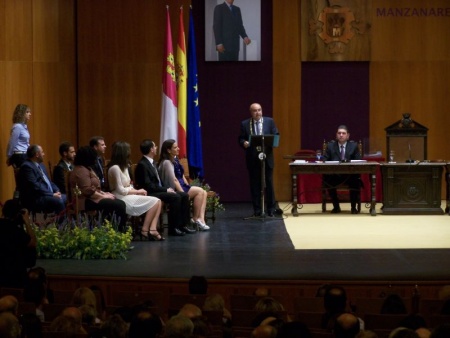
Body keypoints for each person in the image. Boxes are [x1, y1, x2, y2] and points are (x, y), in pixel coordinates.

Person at [134, 139, 194, 236]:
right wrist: (166, 189)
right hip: (149, 192)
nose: (156, 148)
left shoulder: (153, 163)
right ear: (151, 149)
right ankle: (173, 227)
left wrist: (166, 188)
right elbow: (148, 185)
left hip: (158, 190)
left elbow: (159, 181)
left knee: (183, 195)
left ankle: (182, 225)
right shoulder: (142, 165)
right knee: (175, 197)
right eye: (154, 146)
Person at [107, 141, 163, 241]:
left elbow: (129, 184)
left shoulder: (124, 166)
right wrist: (137, 191)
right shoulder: (114, 168)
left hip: (127, 194)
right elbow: (120, 190)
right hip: (119, 197)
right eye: (128, 150)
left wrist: (135, 190)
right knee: (154, 202)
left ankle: (152, 228)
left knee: (158, 201)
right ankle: (145, 229)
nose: (130, 153)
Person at [69, 145, 127, 231]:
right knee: (119, 205)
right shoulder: (81, 170)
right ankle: (119, 231)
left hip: (92, 198)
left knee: (118, 202)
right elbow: (87, 191)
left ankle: (112, 230)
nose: (95, 159)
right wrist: (103, 196)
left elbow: (94, 188)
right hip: (84, 201)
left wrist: (104, 193)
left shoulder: (87, 168)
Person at [159, 139, 210, 232]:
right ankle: (194, 219)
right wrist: (183, 194)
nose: (178, 149)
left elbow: (181, 175)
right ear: (168, 150)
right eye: (175, 147)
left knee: (204, 192)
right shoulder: (166, 162)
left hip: (182, 185)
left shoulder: (175, 160)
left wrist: (188, 185)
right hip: (175, 188)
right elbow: (174, 180)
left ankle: (200, 219)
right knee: (199, 192)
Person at [238, 103, 279, 217]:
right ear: (251, 112)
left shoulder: (270, 121)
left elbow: (276, 134)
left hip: (267, 157)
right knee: (255, 184)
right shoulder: (245, 124)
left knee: (269, 183)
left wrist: (274, 142)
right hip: (253, 158)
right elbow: (241, 138)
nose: (258, 113)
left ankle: (271, 209)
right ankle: (257, 209)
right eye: (255, 111)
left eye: (259, 110)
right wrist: (244, 143)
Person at [323, 125, 362, 214]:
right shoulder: (330, 146)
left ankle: (353, 207)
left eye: (343, 133)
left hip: (350, 175)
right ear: (336, 135)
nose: (341, 135)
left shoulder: (354, 146)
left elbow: (358, 161)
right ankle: (336, 207)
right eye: (339, 133)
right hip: (335, 175)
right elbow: (324, 160)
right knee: (327, 180)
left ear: (348, 136)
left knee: (356, 181)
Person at [18, 145, 67, 216]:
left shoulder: (41, 165)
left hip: (46, 195)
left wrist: (57, 190)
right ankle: (62, 225)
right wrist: (52, 194)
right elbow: (35, 186)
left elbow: (49, 182)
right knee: (59, 201)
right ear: (37, 154)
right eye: (42, 152)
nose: (44, 154)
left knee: (67, 197)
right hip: (36, 198)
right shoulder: (27, 167)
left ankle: (68, 223)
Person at [0, 200, 36, 288]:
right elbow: (33, 243)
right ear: (17, 214)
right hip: (15, 275)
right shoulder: (16, 231)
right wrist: (27, 222)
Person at [6, 104, 31, 168]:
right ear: (21, 113)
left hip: (25, 154)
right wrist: (9, 156)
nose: (30, 114)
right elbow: (12, 142)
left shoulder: (24, 126)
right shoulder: (18, 126)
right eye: (27, 112)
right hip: (20, 155)